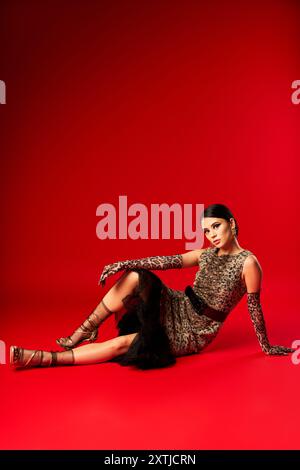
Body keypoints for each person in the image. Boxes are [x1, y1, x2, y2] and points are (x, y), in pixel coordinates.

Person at [10, 203, 295, 370]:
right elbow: (166, 261)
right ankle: (84, 330)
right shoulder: (205, 254)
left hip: (195, 330)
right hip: (178, 304)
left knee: (128, 342)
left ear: (231, 224)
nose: (211, 235)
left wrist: (268, 347)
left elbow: (254, 308)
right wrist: (124, 263)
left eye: (216, 227)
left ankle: (44, 359)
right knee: (136, 276)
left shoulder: (249, 264)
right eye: (207, 230)